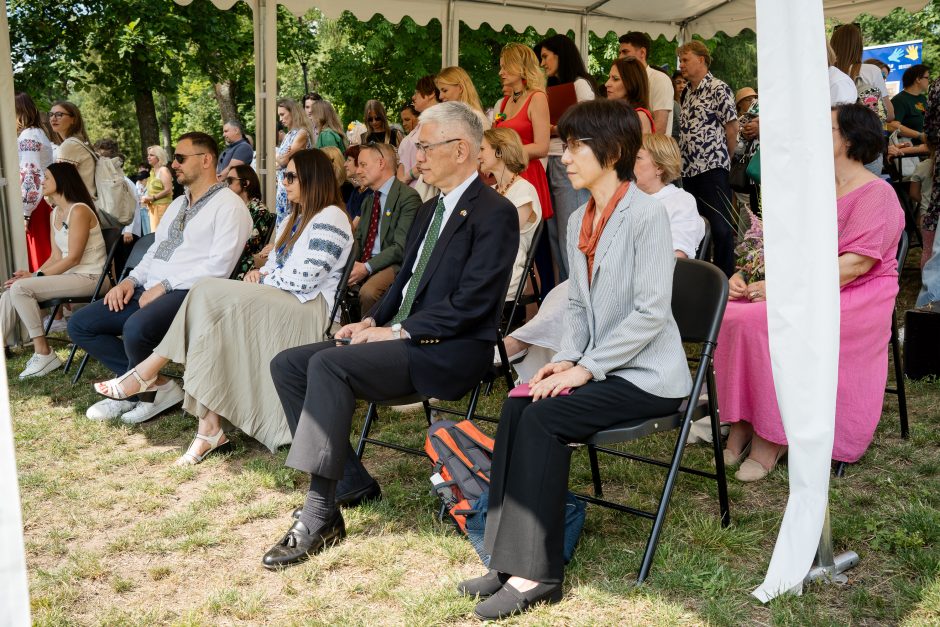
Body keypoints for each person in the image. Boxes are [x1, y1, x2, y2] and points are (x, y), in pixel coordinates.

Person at [259, 101, 518, 570]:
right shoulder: (428, 208)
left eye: (424, 147)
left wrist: (398, 332)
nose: (415, 156)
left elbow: (474, 306)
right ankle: (353, 480)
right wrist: (373, 322)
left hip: (450, 352)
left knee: (327, 365)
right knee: (289, 364)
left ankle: (320, 514)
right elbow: (403, 284)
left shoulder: (494, 213)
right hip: (406, 339)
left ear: (461, 149)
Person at [458, 99, 690, 620]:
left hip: (650, 376)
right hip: (605, 365)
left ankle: (539, 573)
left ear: (612, 151)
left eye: (576, 145)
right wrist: (564, 360)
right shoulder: (579, 219)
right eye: (565, 145)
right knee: (520, 406)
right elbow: (580, 310)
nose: (564, 157)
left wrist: (587, 367)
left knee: (544, 419)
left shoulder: (647, 215)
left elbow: (651, 313)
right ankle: (506, 557)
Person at [93, 149, 353, 463]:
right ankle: (209, 429)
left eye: (291, 176)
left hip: (310, 311)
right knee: (210, 324)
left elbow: (305, 279)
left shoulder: (332, 217)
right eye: (285, 175)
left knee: (206, 292)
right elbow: (274, 265)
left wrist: (266, 278)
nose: (284, 183)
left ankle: (147, 373)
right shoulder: (295, 218)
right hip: (282, 301)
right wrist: (260, 272)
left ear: (314, 179)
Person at [717, 104, 904, 480]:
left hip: (854, 293)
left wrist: (784, 290)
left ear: (850, 139)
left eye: (827, 127)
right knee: (733, 312)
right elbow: (779, 247)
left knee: (769, 321)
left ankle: (774, 436)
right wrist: (745, 272)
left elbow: (854, 266)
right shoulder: (813, 188)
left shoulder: (876, 194)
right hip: (805, 286)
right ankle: (743, 421)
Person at [68, 132, 253, 423]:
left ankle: (138, 391)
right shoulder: (179, 204)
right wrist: (130, 280)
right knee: (81, 324)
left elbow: (219, 267)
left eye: (180, 158)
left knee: (135, 329)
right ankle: (155, 386)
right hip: (148, 288)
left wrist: (164, 287)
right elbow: (155, 250)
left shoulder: (230, 207)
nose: (175, 164)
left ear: (206, 160)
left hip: (190, 294)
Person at [501, 132, 705, 382]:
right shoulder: (618, 200)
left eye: (638, 158)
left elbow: (677, 254)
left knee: (568, 297)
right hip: (602, 281)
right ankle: (552, 359)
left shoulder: (678, 201)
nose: (628, 164)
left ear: (660, 167)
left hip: (647, 287)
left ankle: (514, 346)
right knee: (566, 293)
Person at [2, 162, 107, 378]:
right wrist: (33, 274)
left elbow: (73, 258)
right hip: (71, 276)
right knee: (10, 293)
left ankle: (44, 352)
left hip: (92, 277)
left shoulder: (79, 210)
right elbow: (55, 257)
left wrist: (34, 277)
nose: (42, 181)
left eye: (47, 177)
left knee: (20, 289)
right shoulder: (55, 212)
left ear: (61, 180)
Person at [494, 43, 555, 293]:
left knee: (534, 251)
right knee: (510, 246)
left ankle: (543, 305)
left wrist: (506, 151)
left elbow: (542, 146)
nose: (501, 72)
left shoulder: (537, 97)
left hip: (529, 177)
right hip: (506, 178)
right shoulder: (505, 101)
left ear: (521, 67)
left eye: (505, 66)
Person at [535, 34, 596, 283]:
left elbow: (589, 123)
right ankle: (565, 292)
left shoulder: (580, 84)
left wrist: (550, 128)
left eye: (546, 56)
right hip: (548, 162)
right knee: (554, 233)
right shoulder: (547, 89)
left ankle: (579, 290)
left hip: (568, 162)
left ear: (562, 54)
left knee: (570, 231)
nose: (543, 63)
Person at [677, 40, 739, 277]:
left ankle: (726, 278)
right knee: (697, 225)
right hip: (690, 169)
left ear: (701, 60)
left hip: (712, 166)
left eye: (685, 60)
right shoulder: (686, 92)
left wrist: (725, 159)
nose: (681, 65)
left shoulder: (718, 88)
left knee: (721, 227)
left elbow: (732, 127)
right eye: (681, 60)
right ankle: (702, 276)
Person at [348, 142, 421, 315]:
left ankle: (367, 336)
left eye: (363, 165)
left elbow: (401, 248)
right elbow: (358, 239)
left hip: (394, 265)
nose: (358, 170)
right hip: (367, 262)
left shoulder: (408, 198)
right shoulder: (369, 200)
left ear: (381, 163)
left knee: (368, 292)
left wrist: (366, 267)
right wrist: (349, 265)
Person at [479, 127, 542, 312]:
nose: (478, 155)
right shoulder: (491, 191)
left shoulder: (524, 190)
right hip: (485, 265)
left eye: (482, 149)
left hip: (504, 269)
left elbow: (502, 237)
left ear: (499, 151)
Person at [831, 23, 894, 174]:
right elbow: (890, 114)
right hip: (866, 148)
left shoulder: (828, 75)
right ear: (859, 46)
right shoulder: (871, 71)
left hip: (836, 150)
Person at [16, 93, 55, 272]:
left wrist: (25, 213)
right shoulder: (36, 133)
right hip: (37, 204)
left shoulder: (28, 136)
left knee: (38, 259)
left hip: (33, 205)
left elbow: (30, 173)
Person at [619, 31, 674, 135]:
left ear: (642, 53)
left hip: (653, 149)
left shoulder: (660, 79)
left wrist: (642, 150)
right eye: (620, 53)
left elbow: (660, 127)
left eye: (625, 52)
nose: (620, 57)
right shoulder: (629, 81)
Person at [224, 164, 274, 277]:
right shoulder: (232, 207)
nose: (227, 185)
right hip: (230, 259)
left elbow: (247, 244)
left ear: (245, 183)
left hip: (243, 264)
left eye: (230, 180)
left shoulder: (260, 211)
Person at [48, 101, 96, 203]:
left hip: (77, 206)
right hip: (83, 204)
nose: (53, 118)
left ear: (73, 119)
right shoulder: (77, 142)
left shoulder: (70, 145)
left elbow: (59, 183)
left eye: (59, 114)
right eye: (51, 114)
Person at [275, 99, 314, 226]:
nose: (280, 119)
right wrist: (280, 159)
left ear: (293, 112)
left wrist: (278, 157)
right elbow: (279, 161)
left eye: (282, 114)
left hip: (295, 185)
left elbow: (284, 160)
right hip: (283, 187)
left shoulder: (302, 133)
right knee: (282, 226)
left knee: (292, 224)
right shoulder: (288, 135)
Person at [398, 75, 440, 188]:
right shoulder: (423, 123)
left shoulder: (438, 121)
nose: (413, 97)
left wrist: (407, 177)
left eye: (417, 92)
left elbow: (430, 158)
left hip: (426, 189)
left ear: (431, 94)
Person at [889, 64, 930, 157]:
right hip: (908, 154)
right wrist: (919, 135)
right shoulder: (899, 100)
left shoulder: (923, 98)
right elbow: (892, 126)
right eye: (927, 78)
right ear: (918, 79)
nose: (929, 81)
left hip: (924, 151)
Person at [606, 57, 655, 133]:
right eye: (609, 78)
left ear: (632, 82)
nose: (607, 84)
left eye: (615, 79)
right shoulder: (615, 114)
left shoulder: (640, 117)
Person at [142, 145, 174, 230]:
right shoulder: (152, 171)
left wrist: (152, 198)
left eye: (151, 155)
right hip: (153, 209)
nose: (148, 157)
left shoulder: (163, 170)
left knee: (162, 235)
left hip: (163, 208)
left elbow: (168, 189)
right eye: (148, 155)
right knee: (155, 235)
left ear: (159, 156)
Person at [342, 145, 371, 227]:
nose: (345, 165)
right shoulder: (356, 191)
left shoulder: (370, 194)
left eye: (349, 160)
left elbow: (354, 227)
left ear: (360, 163)